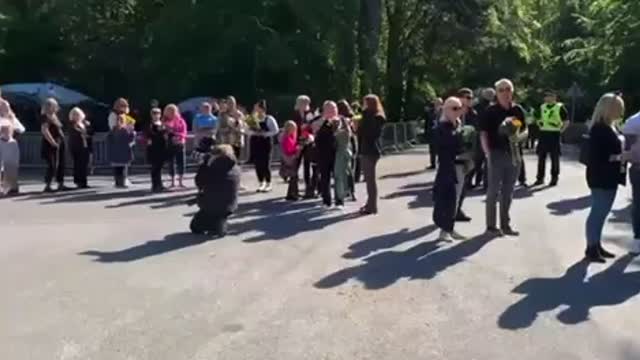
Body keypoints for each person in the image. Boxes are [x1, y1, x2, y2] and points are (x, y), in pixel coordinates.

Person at [479, 79, 528, 236]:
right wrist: (487, 153)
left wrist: (519, 138)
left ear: (512, 91)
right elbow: (483, 133)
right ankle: (491, 227)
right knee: (493, 191)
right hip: (496, 154)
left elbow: (525, 130)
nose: (505, 92)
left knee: (508, 191)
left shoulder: (518, 110)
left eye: (508, 89)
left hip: (514, 154)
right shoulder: (490, 111)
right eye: (501, 90)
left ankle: (505, 225)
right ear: (497, 93)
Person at [584, 93, 627, 262]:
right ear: (609, 109)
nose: (621, 111)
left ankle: (596, 244)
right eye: (618, 108)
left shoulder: (609, 127)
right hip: (601, 176)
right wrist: (621, 157)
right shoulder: (600, 129)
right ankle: (591, 247)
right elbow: (599, 156)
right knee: (598, 212)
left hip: (608, 176)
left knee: (601, 212)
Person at [433, 97, 470, 241]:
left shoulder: (458, 125)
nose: (458, 111)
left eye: (459, 108)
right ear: (446, 109)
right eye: (454, 108)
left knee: (456, 198)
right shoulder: (440, 127)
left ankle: (450, 227)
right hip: (448, 167)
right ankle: (444, 230)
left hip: (460, 165)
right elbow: (444, 146)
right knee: (446, 198)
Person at [190, 144, 241, 237]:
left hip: (210, 204)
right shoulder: (235, 168)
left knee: (195, 227)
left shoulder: (212, 168)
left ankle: (217, 224)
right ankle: (220, 222)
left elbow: (200, 183)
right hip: (230, 205)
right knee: (218, 214)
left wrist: (204, 165)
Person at [533, 91, 570, 187]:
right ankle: (540, 178)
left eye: (550, 96)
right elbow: (537, 118)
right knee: (541, 157)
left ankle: (554, 178)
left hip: (554, 134)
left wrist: (561, 130)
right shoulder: (542, 107)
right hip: (544, 133)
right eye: (546, 96)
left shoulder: (560, 107)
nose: (548, 98)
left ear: (555, 97)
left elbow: (566, 121)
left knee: (555, 157)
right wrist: (539, 124)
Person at [358, 94, 386, 215]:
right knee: (370, 179)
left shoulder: (372, 116)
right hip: (372, 149)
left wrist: (360, 124)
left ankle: (372, 205)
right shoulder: (377, 116)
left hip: (370, 149)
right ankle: (370, 203)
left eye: (364, 102)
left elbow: (367, 132)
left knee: (370, 180)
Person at [247, 100, 279, 192]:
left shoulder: (269, 118)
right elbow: (246, 130)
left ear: (262, 108)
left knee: (266, 162)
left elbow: (275, 130)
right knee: (257, 163)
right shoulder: (252, 118)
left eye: (257, 107)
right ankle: (261, 182)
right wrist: (254, 132)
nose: (255, 109)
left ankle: (268, 182)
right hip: (255, 142)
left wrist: (265, 134)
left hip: (265, 142)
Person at [456, 88, 478, 222]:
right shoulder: (453, 111)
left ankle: (458, 209)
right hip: (456, 153)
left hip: (469, 153)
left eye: (471, 98)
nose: (469, 100)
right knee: (454, 183)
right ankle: (450, 210)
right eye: (467, 97)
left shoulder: (473, 114)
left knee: (465, 183)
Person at [40, 98, 69, 192]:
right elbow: (45, 130)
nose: (56, 107)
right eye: (54, 105)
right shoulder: (45, 116)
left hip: (60, 142)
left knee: (61, 163)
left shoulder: (55, 116)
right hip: (50, 144)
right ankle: (47, 185)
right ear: (49, 106)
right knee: (52, 164)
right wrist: (52, 142)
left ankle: (60, 183)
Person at [469, 88, 495, 190]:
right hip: (487, 134)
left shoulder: (476, 106)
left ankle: (472, 181)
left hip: (479, 133)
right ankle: (485, 183)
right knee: (487, 160)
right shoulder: (492, 107)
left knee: (477, 160)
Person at [293, 95, 318, 198]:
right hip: (297, 141)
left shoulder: (310, 114)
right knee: (295, 164)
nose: (306, 105)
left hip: (308, 141)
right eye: (304, 103)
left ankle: (308, 187)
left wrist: (308, 129)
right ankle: (294, 188)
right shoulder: (294, 114)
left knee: (307, 164)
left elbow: (313, 126)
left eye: (307, 103)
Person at [622, 110, 640, 255]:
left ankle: (637, 239)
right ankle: (637, 239)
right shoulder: (634, 121)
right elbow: (627, 148)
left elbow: (627, 149)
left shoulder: (633, 121)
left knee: (638, 203)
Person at [315, 101, 339, 208]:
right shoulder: (319, 121)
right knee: (325, 177)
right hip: (323, 153)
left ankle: (339, 200)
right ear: (324, 111)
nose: (332, 111)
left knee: (339, 177)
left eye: (334, 109)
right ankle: (327, 201)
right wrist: (323, 120)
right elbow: (314, 130)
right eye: (329, 109)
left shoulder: (341, 120)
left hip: (337, 153)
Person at [0, 99, 25, 195]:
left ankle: (12, 187)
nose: (4, 108)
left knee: (11, 166)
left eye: (5, 107)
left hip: (9, 143)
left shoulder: (10, 118)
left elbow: (20, 129)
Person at [107, 114, 136, 188]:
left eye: (121, 121)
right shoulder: (113, 130)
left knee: (123, 167)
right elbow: (109, 139)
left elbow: (131, 139)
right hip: (116, 151)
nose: (119, 122)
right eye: (117, 120)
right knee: (117, 168)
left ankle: (123, 182)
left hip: (124, 151)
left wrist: (132, 132)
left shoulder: (126, 130)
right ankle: (117, 182)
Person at [163, 104, 188, 189]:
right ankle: (172, 182)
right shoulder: (165, 121)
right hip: (170, 144)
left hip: (180, 143)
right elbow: (163, 132)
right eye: (169, 111)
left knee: (181, 162)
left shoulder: (181, 121)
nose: (171, 113)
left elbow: (184, 132)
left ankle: (181, 181)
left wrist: (177, 135)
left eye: (173, 111)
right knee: (171, 163)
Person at [68, 107, 93, 189]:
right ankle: (78, 182)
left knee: (84, 164)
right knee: (78, 165)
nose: (76, 116)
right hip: (77, 146)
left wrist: (87, 130)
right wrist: (83, 133)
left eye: (78, 114)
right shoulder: (72, 124)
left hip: (85, 146)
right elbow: (75, 132)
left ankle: (84, 181)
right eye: (74, 114)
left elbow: (91, 132)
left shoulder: (84, 123)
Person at [337, 99, 357, 201]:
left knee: (345, 169)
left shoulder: (341, 119)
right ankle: (351, 191)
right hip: (351, 143)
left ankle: (348, 190)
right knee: (349, 169)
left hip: (345, 144)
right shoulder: (351, 117)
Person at [146, 107, 168, 193]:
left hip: (161, 147)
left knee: (160, 167)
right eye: (154, 113)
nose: (156, 115)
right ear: (151, 115)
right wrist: (160, 132)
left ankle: (160, 184)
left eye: (158, 113)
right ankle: (155, 185)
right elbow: (149, 135)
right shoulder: (150, 124)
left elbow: (165, 134)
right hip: (153, 148)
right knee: (154, 167)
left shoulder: (162, 124)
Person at [281, 121, 302, 201]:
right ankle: (293, 194)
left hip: (291, 158)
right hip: (290, 158)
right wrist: (298, 148)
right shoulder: (286, 138)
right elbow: (288, 149)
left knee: (294, 176)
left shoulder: (290, 137)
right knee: (294, 176)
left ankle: (291, 193)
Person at [0, 121, 20, 196]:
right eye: (4, 131)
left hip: (12, 162)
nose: (7, 133)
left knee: (12, 174)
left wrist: (17, 162)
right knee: (2, 176)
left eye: (8, 131)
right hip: (2, 161)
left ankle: (13, 188)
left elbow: (16, 153)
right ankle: (3, 189)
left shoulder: (14, 142)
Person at [425, 98, 443, 169]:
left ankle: (441, 163)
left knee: (441, 149)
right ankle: (433, 164)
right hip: (432, 132)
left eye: (438, 103)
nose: (437, 104)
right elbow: (427, 122)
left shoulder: (443, 111)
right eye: (436, 103)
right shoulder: (430, 112)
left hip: (441, 132)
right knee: (432, 149)